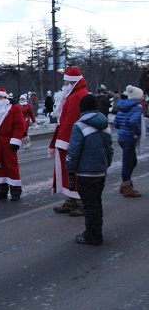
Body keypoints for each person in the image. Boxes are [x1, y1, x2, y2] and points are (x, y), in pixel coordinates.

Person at [66, 94, 113, 245]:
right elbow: (109, 149)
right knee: (96, 202)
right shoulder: (105, 124)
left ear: (82, 108)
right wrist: (106, 164)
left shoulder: (79, 126)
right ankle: (95, 232)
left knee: (89, 204)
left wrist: (70, 168)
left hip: (86, 172)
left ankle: (93, 235)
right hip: (101, 171)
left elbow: (74, 151)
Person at [48, 67, 88, 216]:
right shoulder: (72, 95)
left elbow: (73, 121)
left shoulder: (78, 96)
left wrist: (68, 140)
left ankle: (81, 203)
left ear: (72, 82)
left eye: (67, 82)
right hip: (66, 139)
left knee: (76, 173)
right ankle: (71, 201)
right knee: (68, 173)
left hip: (72, 140)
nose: (64, 85)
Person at [112, 85, 146, 198]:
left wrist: (122, 127)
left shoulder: (123, 106)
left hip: (122, 137)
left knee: (132, 161)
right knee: (128, 162)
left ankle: (126, 183)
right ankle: (126, 186)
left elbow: (116, 122)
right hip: (129, 137)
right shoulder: (137, 107)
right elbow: (133, 121)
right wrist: (138, 132)